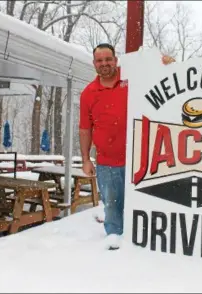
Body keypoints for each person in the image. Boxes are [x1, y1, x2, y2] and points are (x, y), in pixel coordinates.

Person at [79, 43, 175, 250]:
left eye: (108, 59)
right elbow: (85, 129)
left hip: (141, 161)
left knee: (146, 208)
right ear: (94, 63)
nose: (104, 64)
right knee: (113, 211)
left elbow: (160, 76)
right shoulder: (89, 93)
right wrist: (86, 159)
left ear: (116, 60)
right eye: (100, 60)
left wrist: (166, 64)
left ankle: (143, 252)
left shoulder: (132, 78)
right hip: (107, 164)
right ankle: (115, 252)